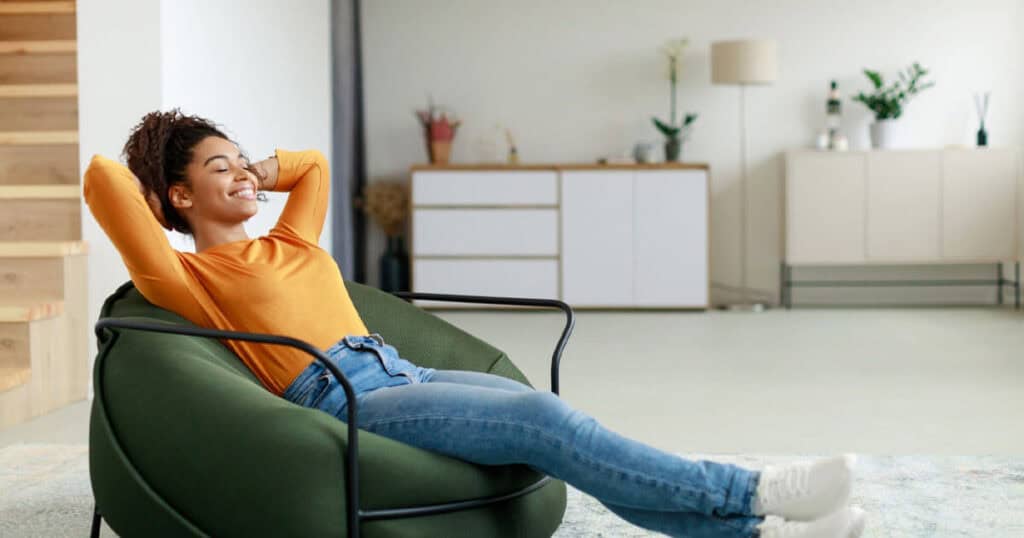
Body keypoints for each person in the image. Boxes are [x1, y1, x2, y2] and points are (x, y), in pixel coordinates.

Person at [84, 109, 866, 538]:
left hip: (399, 371)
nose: (245, 174)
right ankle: (760, 487)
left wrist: (258, 166)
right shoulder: (187, 278)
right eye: (220, 169)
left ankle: (757, 535)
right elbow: (104, 180)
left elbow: (315, 165)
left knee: (564, 430)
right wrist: (161, 171)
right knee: (543, 419)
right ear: (179, 199)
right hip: (340, 395)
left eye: (245, 161)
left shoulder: (290, 241)